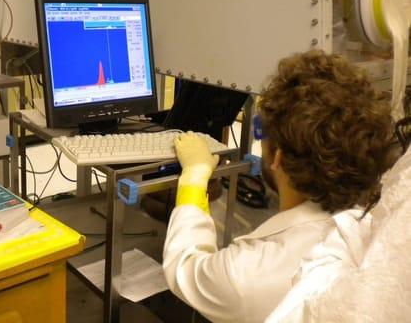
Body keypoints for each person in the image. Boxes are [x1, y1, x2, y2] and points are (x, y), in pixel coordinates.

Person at [162, 51, 395, 323]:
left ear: (278, 157)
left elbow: (186, 267)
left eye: (260, 129)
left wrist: (194, 176)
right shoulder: (381, 229)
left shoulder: (250, 275)